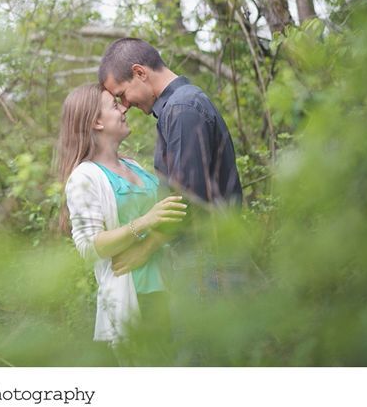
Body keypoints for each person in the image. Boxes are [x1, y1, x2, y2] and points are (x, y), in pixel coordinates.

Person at [57, 83, 187, 344]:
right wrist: (145, 221)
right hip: (137, 299)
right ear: (96, 122)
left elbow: (171, 215)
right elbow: (89, 247)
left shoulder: (134, 166)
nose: (124, 109)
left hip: (173, 289)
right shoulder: (84, 177)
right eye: (115, 106)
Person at [97, 38, 242, 206]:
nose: (126, 105)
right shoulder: (181, 105)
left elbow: (188, 202)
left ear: (140, 73)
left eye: (122, 94)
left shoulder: (182, 109)